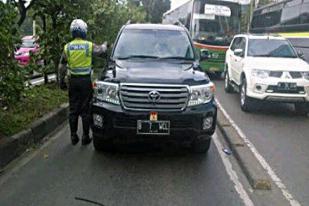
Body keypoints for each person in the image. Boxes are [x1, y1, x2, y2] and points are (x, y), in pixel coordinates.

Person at [58, 19, 107, 146]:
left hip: (72, 81)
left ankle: (73, 136)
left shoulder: (67, 47)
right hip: (85, 81)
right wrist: (106, 44)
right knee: (86, 110)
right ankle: (85, 136)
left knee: (73, 109)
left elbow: (62, 66)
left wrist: (61, 81)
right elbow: (101, 51)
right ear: (84, 31)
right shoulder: (88, 45)